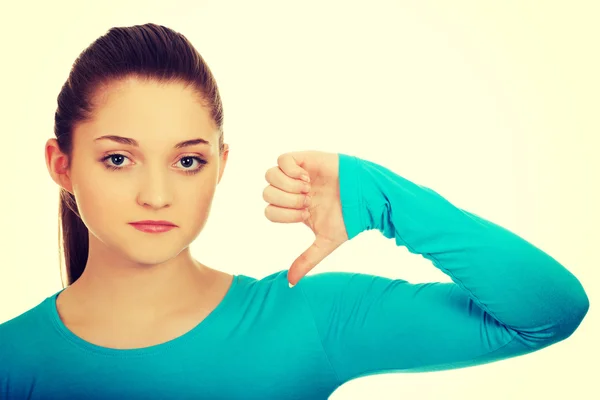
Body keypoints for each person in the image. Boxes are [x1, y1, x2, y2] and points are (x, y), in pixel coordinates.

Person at [0, 23, 589, 399]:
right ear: (61, 164)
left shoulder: (307, 316)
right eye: (119, 159)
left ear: (221, 165)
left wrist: (386, 200)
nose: (157, 195)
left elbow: (547, 313)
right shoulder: (11, 361)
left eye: (187, 162)